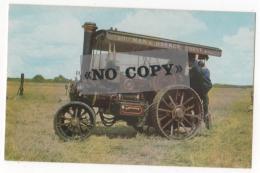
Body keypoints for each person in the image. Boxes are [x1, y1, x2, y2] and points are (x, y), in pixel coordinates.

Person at [188, 53, 212, 129]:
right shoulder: (204, 70)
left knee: (203, 108)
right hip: (200, 91)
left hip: (201, 91)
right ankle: (203, 120)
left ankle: (206, 121)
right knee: (202, 108)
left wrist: (196, 58)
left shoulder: (203, 71)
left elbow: (196, 69)